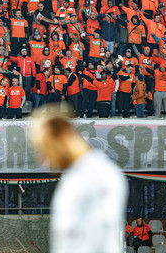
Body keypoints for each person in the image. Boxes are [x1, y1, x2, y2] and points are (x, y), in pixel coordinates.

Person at [29, 105, 127, 252]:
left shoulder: (97, 176)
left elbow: (99, 242)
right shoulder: (76, 177)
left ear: (63, 136)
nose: (43, 158)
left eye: (45, 148)